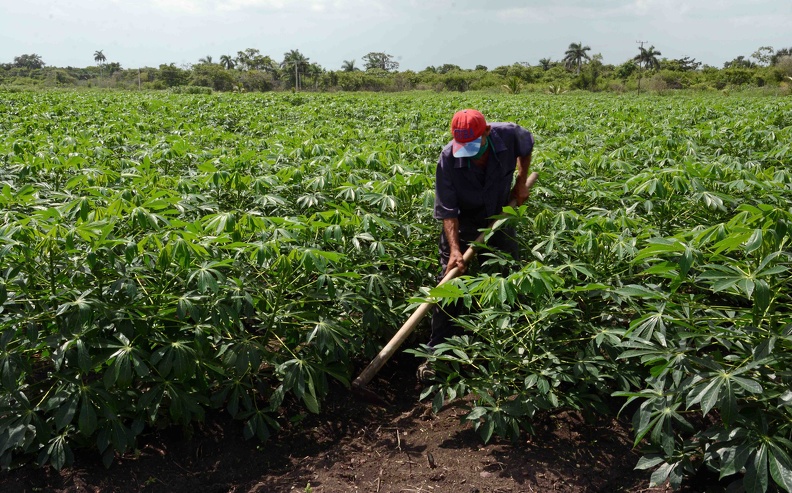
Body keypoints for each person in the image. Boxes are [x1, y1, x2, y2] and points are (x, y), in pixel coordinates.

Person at [418, 108, 534, 382]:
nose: (468, 151)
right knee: (449, 283)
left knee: (508, 275)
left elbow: (526, 147)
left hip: (500, 212)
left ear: (487, 133)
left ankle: (507, 344)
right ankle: (437, 354)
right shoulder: (448, 157)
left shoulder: (508, 133)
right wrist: (455, 249)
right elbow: (448, 211)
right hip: (464, 221)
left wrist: (521, 181)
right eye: (463, 146)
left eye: (473, 145)